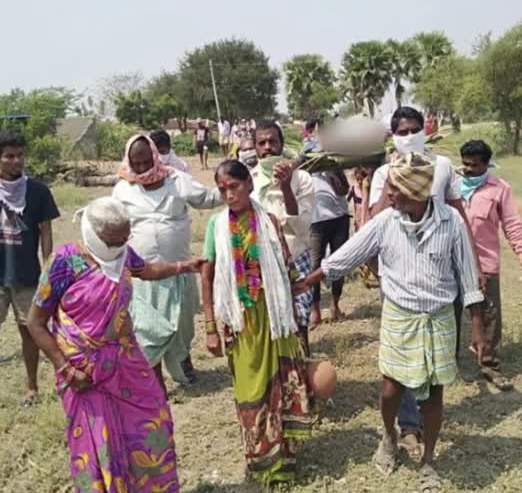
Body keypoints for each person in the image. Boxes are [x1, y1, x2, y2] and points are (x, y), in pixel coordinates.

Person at [299, 153, 484, 490]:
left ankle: (428, 460)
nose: (389, 194)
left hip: (439, 318)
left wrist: (477, 330)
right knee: (390, 389)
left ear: (415, 191)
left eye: (395, 188)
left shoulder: (451, 222)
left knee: (432, 395)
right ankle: (389, 437)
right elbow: (345, 256)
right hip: (399, 316)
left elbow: (469, 278)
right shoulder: (386, 222)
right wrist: (307, 282)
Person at [27, 196, 202, 493]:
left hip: (127, 360)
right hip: (84, 372)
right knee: (100, 443)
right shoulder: (64, 262)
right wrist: (66, 370)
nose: (119, 246)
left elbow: (145, 270)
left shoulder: (121, 253)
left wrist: (184, 267)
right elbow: (35, 322)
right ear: (94, 234)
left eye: (125, 238)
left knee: (152, 423)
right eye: (112, 241)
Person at [368, 106, 481, 455]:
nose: (409, 136)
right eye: (401, 131)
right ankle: (408, 426)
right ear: (392, 136)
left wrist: (474, 267)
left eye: (414, 129)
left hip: (439, 278)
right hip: (399, 280)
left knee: (435, 364)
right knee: (399, 368)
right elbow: (374, 222)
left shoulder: (443, 166)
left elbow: (459, 214)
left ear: (425, 130)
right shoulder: (384, 172)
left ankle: (426, 421)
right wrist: (390, 181)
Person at [201, 160, 316, 486]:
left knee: (279, 389)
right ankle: (259, 460)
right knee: (249, 393)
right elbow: (207, 277)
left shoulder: (269, 221)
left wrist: (302, 291)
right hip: (241, 324)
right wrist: (210, 327)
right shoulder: (216, 226)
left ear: (249, 184)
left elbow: (286, 265)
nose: (228, 195)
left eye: (233, 187)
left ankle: (282, 465)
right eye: (222, 189)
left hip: (275, 319)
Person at [0, 129, 60, 424]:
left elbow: (46, 232)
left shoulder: (39, 191)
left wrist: (48, 269)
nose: (16, 161)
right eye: (9, 156)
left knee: (28, 331)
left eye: (19, 155)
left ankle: (31, 387)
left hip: (28, 275)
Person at [114, 134, 222, 389]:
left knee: (182, 323)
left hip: (180, 270)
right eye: (135, 163)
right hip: (143, 275)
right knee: (147, 328)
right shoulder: (122, 189)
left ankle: (183, 361)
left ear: (155, 156)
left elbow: (206, 199)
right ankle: (155, 376)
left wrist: (233, 186)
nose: (141, 168)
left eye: (145, 161)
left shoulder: (176, 180)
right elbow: (112, 221)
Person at [459, 140, 522, 390]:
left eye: (474, 165)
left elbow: (511, 223)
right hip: (453, 262)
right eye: (465, 164)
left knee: (489, 314)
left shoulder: (499, 189)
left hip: (485, 262)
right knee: (450, 313)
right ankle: (448, 362)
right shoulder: (452, 186)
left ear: (486, 164)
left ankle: (489, 365)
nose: (468, 169)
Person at [250, 121, 315, 355]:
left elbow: (302, 227)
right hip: (261, 261)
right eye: (262, 143)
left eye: (272, 141)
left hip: (295, 256)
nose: (267, 148)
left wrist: (286, 187)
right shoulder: (250, 180)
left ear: (282, 144)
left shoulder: (302, 179)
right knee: (268, 322)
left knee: (299, 321)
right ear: (255, 148)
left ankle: (303, 377)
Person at [309, 169, 350, 327]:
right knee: (314, 266)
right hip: (314, 223)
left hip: (339, 219)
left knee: (339, 263)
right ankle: (315, 311)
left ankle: (335, 305)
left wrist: (333, 174)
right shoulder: (305, 167)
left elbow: (344, 190)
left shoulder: (332, 165)